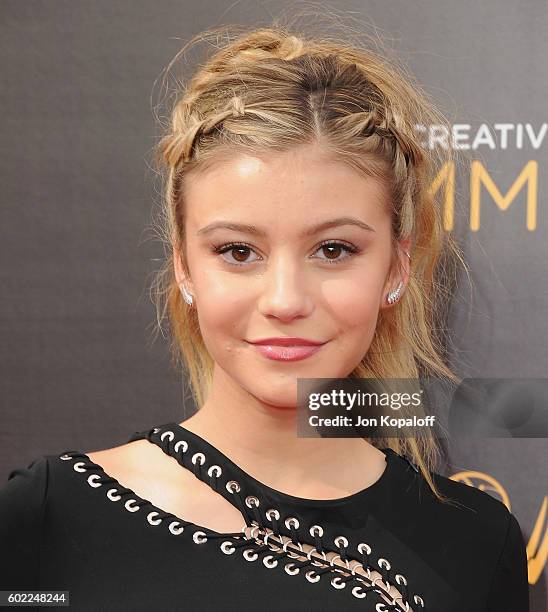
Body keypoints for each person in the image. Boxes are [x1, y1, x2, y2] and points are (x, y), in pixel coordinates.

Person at [0, 23, 529, 612]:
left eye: (333, 250)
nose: (283, 300)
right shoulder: (50, 519)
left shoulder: (477, 542)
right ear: (184, 267)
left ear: (397, 268)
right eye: (237, 252)